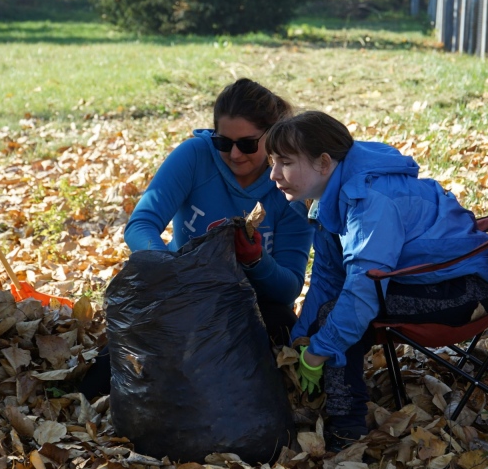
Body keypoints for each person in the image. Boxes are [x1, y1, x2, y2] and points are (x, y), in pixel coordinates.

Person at [265, 111, 488, 451]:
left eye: (285, 162)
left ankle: (346, 433)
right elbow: (327, 277)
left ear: (322, 162)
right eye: (272, 162)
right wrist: (299, 340)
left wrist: (319, 351)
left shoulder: (369, 201)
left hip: (467, 289)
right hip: (431, 280)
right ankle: (327, 403)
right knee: (330, 314)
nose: (274, 174)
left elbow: (361, 292)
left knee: (339, 313)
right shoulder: (334, 196)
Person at [79, 79, 314, 399]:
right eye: (223, 142)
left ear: (272, 137)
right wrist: (168, 266)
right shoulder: (195, 156)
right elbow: (141, 223)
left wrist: (255, 260)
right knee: (104, 377)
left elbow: (288, 287)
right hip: (187, 295)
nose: (234, 154)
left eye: (247, 144)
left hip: (254, 307)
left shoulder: (289, 181)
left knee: (283, 330)